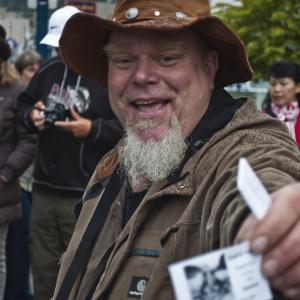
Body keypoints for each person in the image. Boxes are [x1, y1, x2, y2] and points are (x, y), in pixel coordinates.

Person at [52, 0, 300, 299]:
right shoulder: (117, 161)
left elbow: (265, 176)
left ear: (209, 66)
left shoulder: (245, 146)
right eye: (124, 60)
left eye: (167, 58)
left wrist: (272, 225)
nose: (142, 76)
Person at [17, 5, 122, 300]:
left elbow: (129, 126)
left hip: (87, 191)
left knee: (84, 271)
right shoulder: (48, 71)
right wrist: (32, 116)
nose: (61, 52)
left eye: (65, 45)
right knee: (43, 269)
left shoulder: (105, 76)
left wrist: (93, 129)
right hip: (44, 189)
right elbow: (22, 105)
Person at [0, 26, 36, 300]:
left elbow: (28, 140)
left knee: (3, 257)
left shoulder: (17, 91)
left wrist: (6, 173)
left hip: (4, 188)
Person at [5, 50, 42, 300]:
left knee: (20, 246)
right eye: (30, 70)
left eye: (38, 70)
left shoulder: (31, 98)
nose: (35, 75)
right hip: (21, 182)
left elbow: (28, 142)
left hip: (25, 185)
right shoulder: (21, 98)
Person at [262, 60, 300, 147]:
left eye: (283, 84)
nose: (277, 89)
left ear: (298, 87)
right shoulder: (260, 118)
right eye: (273, 84)